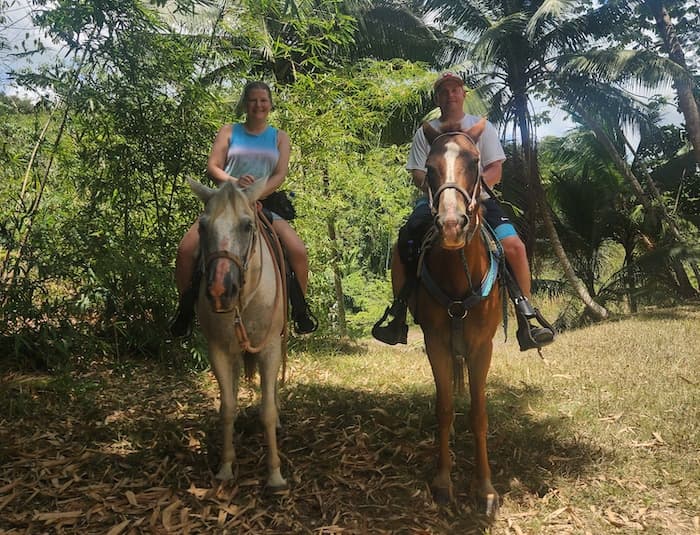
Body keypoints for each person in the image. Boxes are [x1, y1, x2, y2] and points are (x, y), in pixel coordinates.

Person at [372, 72, 555, 351]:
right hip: (433, 201)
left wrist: (471, 190)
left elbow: (495, 168)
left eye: (455, 90)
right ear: (438, 98)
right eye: (444, 91)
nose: (450, 95)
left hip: (479, 199)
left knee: (514, 246)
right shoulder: (426, 132)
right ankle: (398, 313)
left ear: (463, 94)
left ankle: (526, 315)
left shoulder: (483, 128)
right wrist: (439, 190)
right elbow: (418, 173)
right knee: (405, 242)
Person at [170, 81, 317, 337]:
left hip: (263, 202)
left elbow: (280, 174)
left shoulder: (280, 137)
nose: (258, 105)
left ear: (270, 104)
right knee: (185, 250)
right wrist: (236, 183)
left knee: (298, 251)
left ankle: (297, 312)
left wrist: (255, 194)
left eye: (263, 100)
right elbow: (213, 167)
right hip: (226, 202)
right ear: (245, 104)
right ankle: (186, 312)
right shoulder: (228, 131)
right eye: (253, 100)